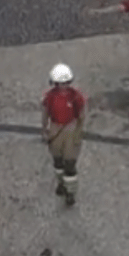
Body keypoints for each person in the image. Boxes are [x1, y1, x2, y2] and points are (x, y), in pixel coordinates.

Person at [41, 63, 86, 206]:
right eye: (61, 84)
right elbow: (45, 113)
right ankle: (62, 184)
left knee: (70, 164)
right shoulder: (50, 97)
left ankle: (70, 193)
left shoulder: (75, 96)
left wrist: (78, 132)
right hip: (56, 129)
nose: (63, 87)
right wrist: (44, 129)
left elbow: (82, 115)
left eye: (65, 83)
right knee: (58, 162)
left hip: (69, 130)